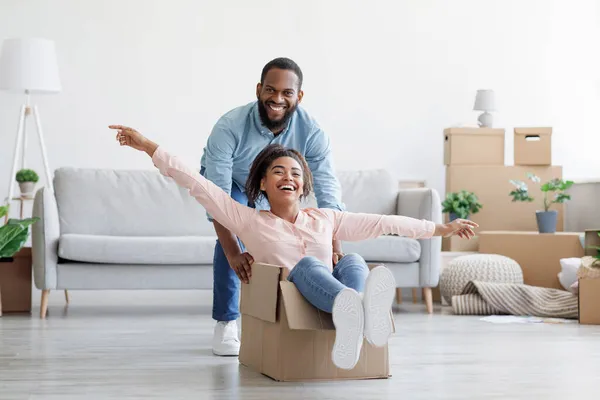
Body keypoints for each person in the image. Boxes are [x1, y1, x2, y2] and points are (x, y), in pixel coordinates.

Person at [109, 125, 478, 370]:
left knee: (350, 260)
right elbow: (196, 183)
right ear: (264, 184)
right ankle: (357, 312)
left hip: (332, 294)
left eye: (296, 174)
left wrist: (440, 228)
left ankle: (358, 312)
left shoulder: (326, 218)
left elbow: (384, 223)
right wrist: (147, 146)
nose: (289, 177)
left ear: (303, 188)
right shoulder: (247, 220)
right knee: (309, 267)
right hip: (298, 292)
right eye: (279, 172)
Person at [199, 57, 345, 356]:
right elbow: (217, 196)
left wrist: (334, 242)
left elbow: (328, 192)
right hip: (235, 186)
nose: (277, 99)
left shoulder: (313, 132)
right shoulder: (230, 126)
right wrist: (233, 252)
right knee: (234, 233)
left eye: (286, 93)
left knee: (301, 232)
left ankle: (318, 310)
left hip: (275, 187)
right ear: (258, 89)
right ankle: (227, 322)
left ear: (298, 96)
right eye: (270, 90)